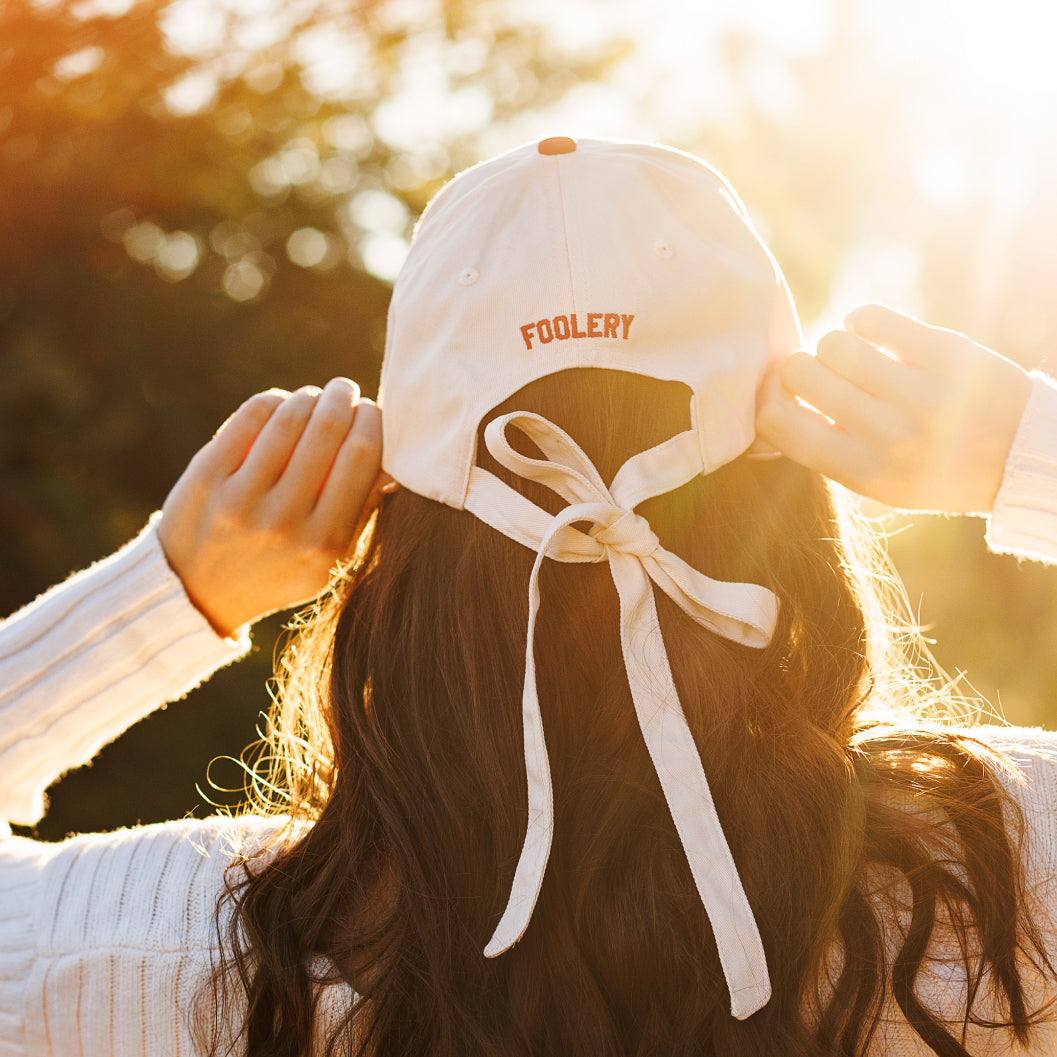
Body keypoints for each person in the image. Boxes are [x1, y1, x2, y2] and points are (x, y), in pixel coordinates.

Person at [2, 136, 1057, 1057]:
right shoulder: (1004, 879)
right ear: (790, 505)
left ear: (397, 528)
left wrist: (170, 592)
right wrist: (1023, 456)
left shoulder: (170, 951)